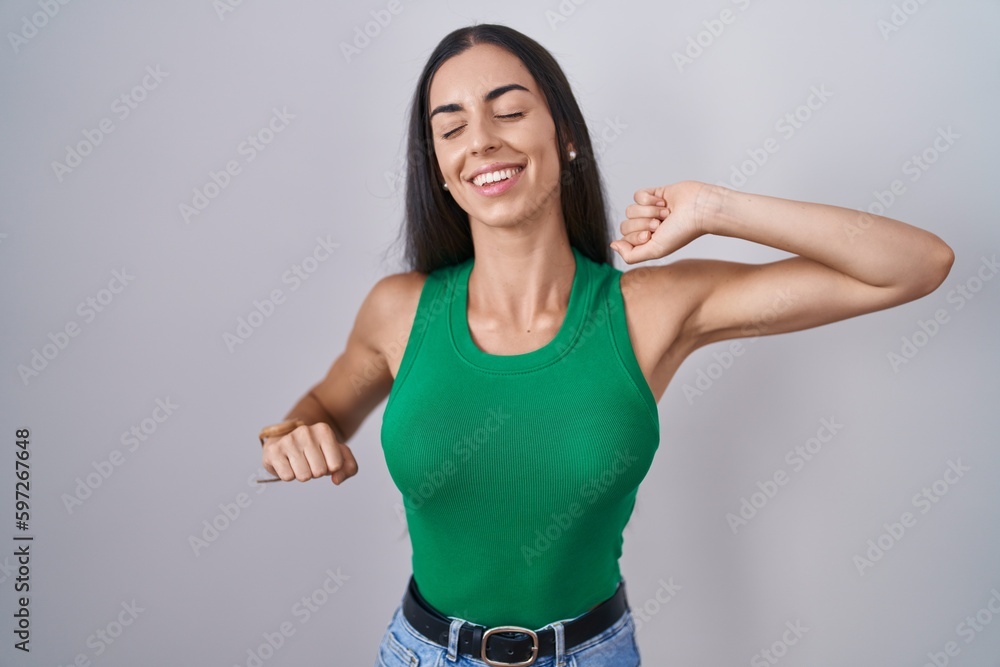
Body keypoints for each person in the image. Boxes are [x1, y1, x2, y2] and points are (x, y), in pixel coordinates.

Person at [257, 23, 954, 667]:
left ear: (565, 135)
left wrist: (716, 208)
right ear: (440, 167)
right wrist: (291, 433)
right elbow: (320, 410)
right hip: (420, 652)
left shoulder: (649, 310)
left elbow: (917, 264)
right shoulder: (397, 309)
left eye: (509, 110)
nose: (482, 141)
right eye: (452, 128)